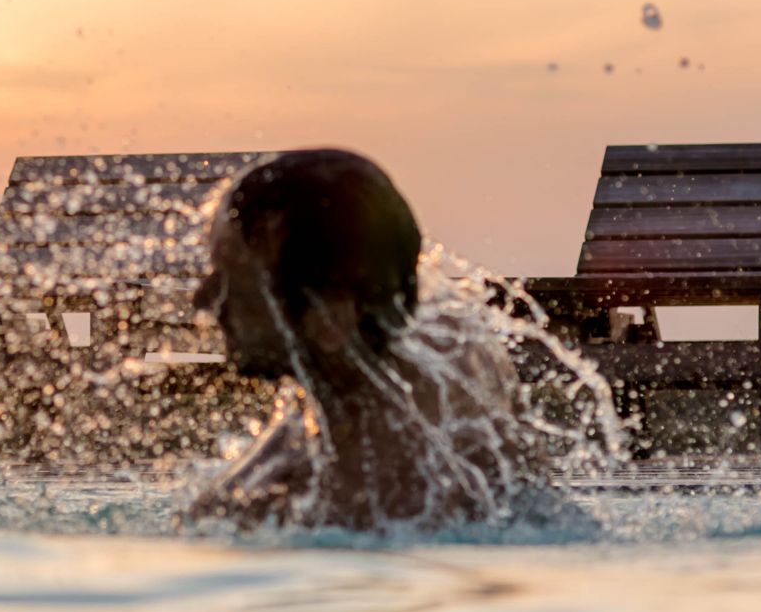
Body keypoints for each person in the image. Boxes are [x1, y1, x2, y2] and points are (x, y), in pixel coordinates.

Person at [183, 149, 539, 529]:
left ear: (329, 319)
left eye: (230, 281)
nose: (203, 300)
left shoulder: (367, 505)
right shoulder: (452, 345)